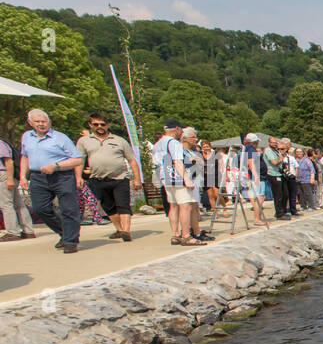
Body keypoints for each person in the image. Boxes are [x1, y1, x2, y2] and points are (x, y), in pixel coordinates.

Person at [20, 108, 85, 253]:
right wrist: (23, 176)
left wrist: (56, 165)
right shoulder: (26, 137)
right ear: (30, 122)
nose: (41, 124)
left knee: (68, 209)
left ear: (49, 122)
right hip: (37, 176)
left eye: (44, 121)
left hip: (62, 176)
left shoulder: (60, 138)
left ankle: (70, 241)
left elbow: (77, 159)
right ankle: (65, 232)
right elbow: (25, 156)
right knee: (40, 209)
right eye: (37, 121)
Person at [76, 111, 143, 242]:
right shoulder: (84, 141)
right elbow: (79, 160)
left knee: (123, 205)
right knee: (108, 207)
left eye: (103, 124)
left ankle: (126, 231)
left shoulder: (119, 140)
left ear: (108, 125)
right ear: (90, 125)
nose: (99, 126)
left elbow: (132, 160)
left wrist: (137, 178)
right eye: (96, 124)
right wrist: (78, 177)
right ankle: (119, 229)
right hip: (98, 179)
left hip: (120, 178)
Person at [156, 120, 204, 246]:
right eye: (181, 130)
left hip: (165, 176)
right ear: (176, 129)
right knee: (185, 205)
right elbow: (178, 161)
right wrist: (186, 179)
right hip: (177, 176)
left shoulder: (159, 143)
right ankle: (186, 235)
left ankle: (175, 234)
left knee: (173, 205)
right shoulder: (174, 143)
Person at [0, 134, 36, 240]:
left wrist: (9, 179)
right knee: (18, 204)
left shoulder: (1, 143)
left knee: (6, 204)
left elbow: (9, 161)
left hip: (4, 175)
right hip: (7, 175)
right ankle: (28, 231)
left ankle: (12, 232)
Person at [241, 134, 270, 227]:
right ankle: (257, 219)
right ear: (255, 141)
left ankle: (258, 218)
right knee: (260, 197)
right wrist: (256, 175)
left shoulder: (249, 148)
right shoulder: (250, 149)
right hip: (258, 177)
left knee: (260, 196)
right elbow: (250, 162)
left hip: (259, 176)